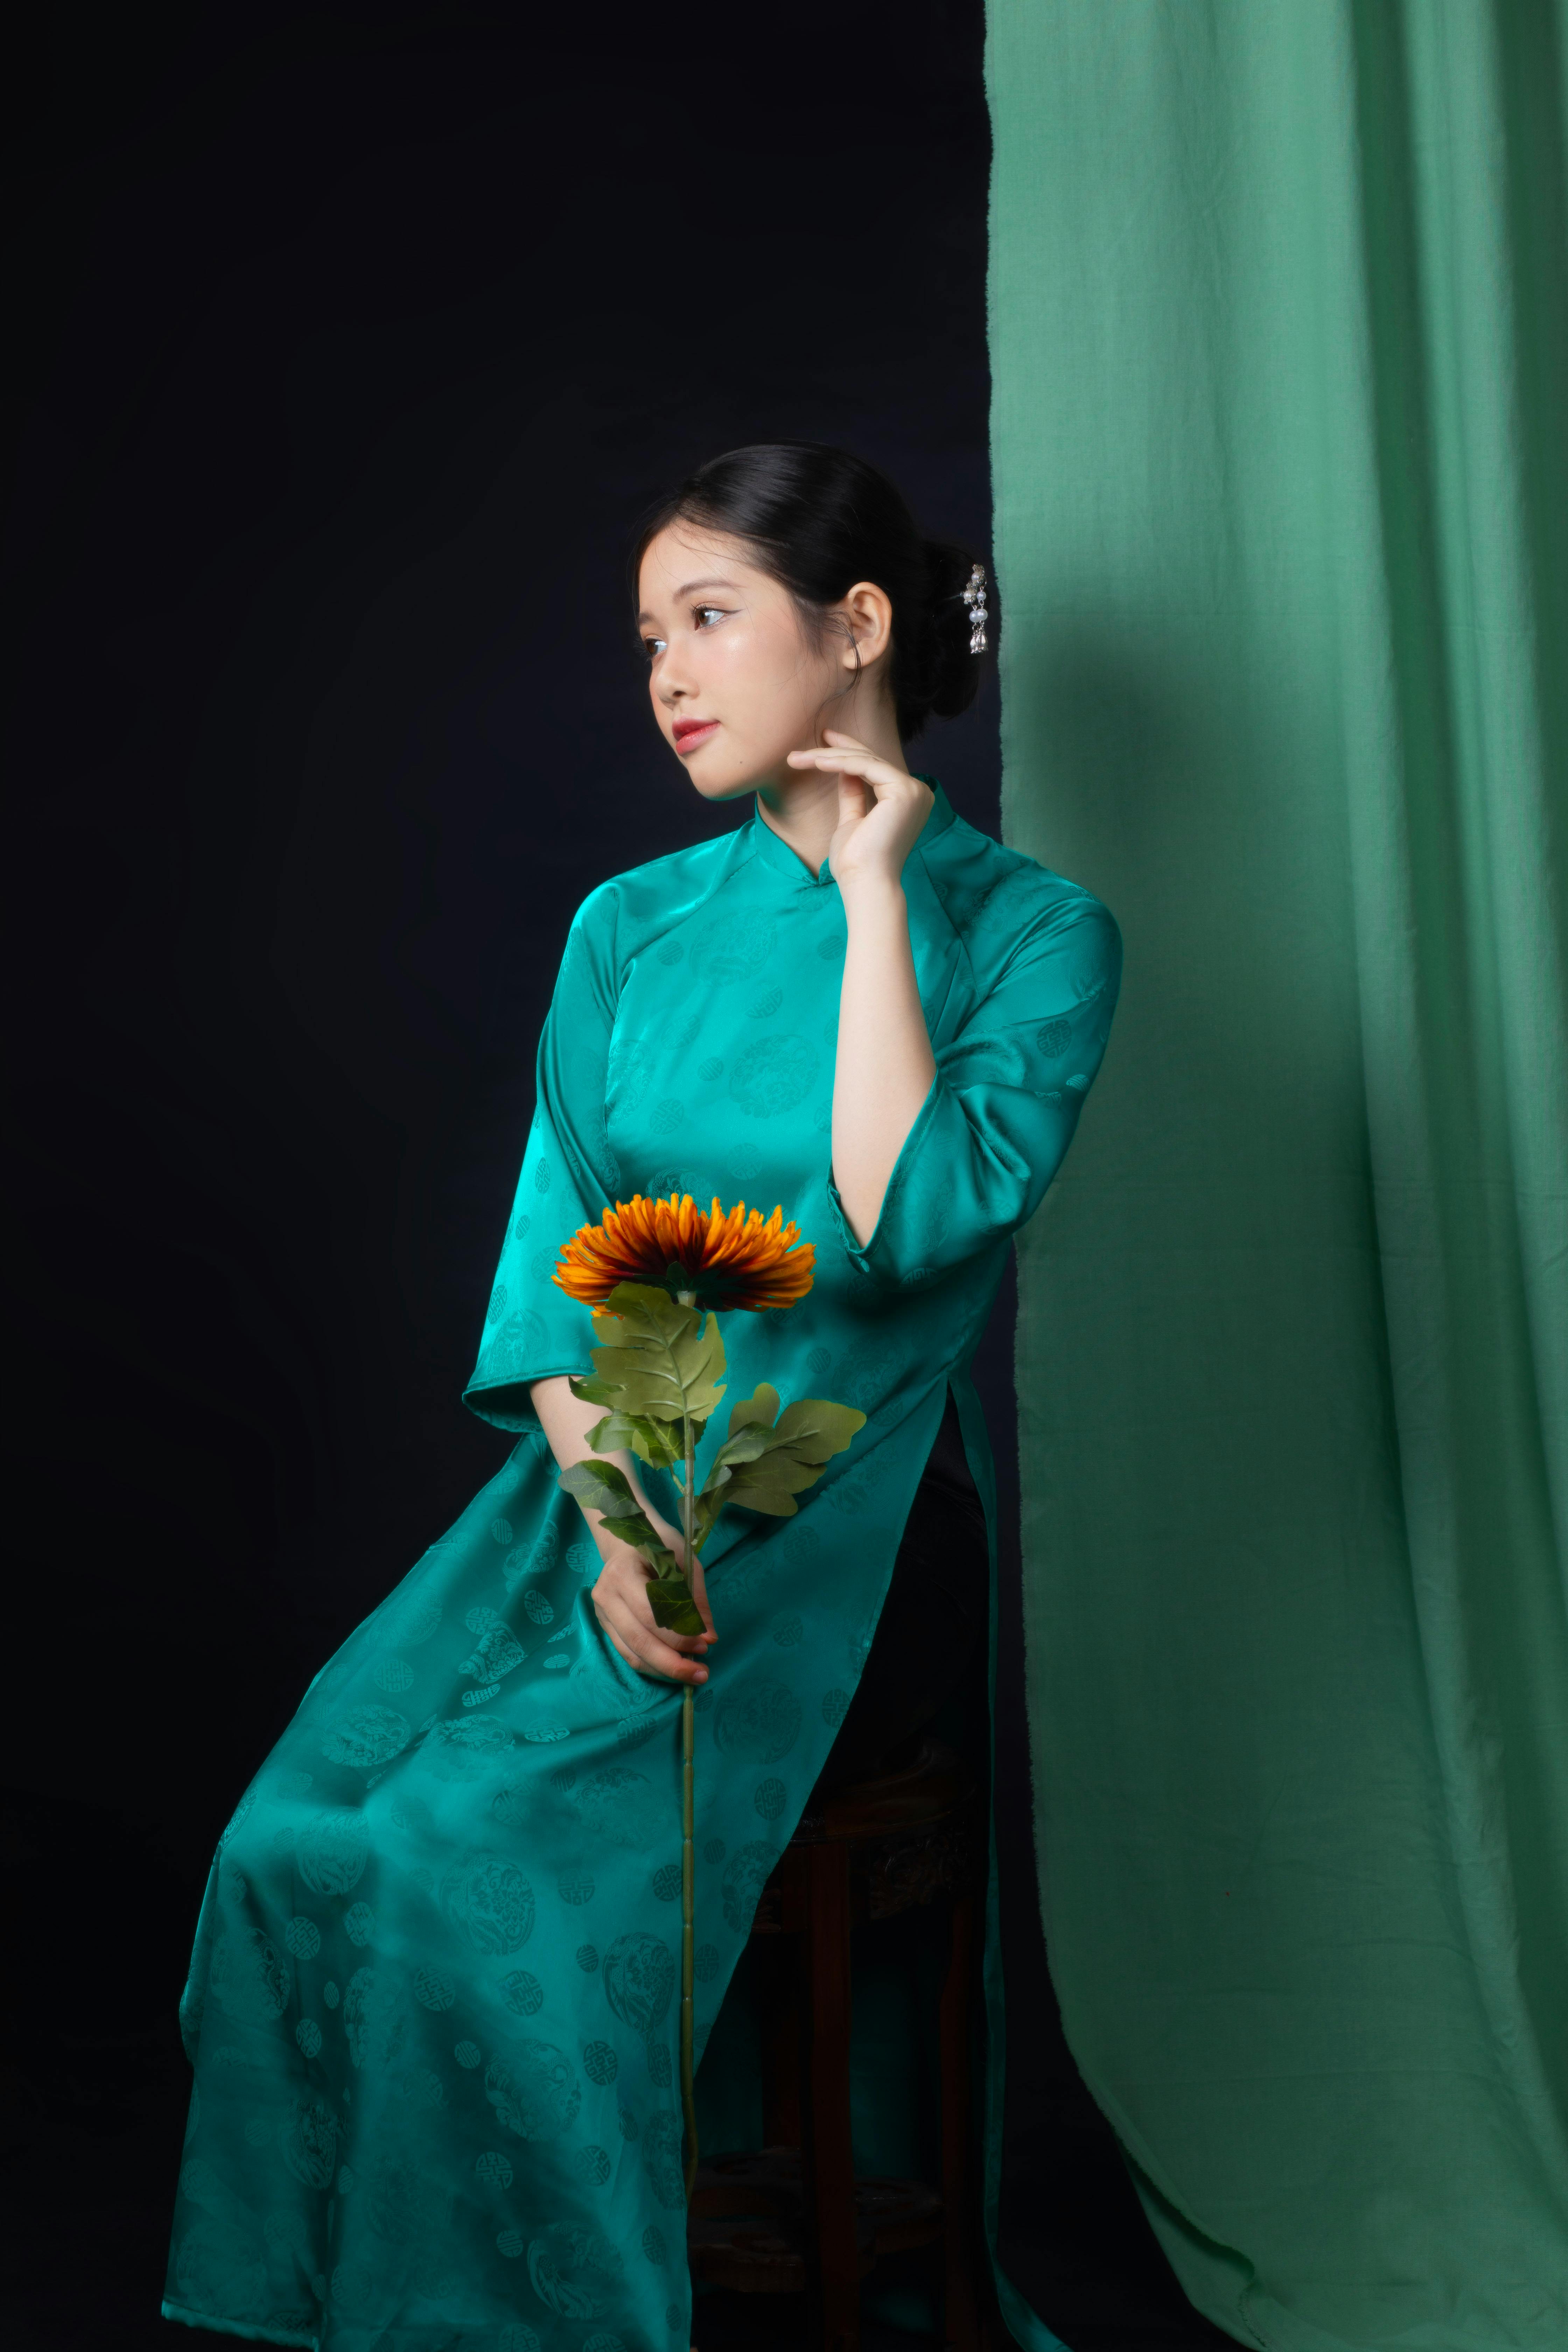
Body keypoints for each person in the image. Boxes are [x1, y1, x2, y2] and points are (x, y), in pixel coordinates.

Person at [163, 441, 1122, 2352]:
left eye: (709, 618)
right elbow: (560, 1270)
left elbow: (897, 1224)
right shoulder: (627, 929)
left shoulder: (1032, 939)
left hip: (841, 1521)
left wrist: (870, 895)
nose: (666, 674)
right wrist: (614, 1529)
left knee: (452, 1862)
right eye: (646, 635)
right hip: (604, 1493)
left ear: (856, 629)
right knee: (297, 1845)